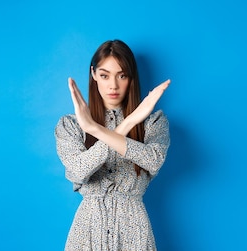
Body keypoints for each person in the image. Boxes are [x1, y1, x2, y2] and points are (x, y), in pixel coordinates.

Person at [54, 39, 170, 250]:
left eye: (122, 75)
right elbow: (77, 171)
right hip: (87, 230)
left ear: (131, 77)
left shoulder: (153, 123)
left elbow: (153, 161)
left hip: (134, 230)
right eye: (105, 75)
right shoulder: (71, 125)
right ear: (94, 74)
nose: (113, 85)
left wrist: (101, 129)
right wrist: (125, 124)